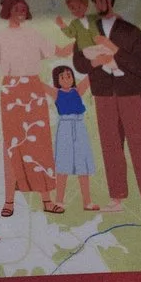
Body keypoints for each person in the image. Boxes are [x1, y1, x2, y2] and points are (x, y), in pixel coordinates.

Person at [0, 0, 69, 216]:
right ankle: (9, 201)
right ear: (8, 11)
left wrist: (84, 42)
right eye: (16, 8)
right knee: (12, 146)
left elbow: (61, 51)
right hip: (12, 90)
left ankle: (46, 200)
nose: (21, 11)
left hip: (33, 89)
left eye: (24, 8)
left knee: (39, 144)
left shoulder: (34, 34)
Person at [72, 0, 141, 211]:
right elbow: (79, 63)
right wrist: (95, 61)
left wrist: (114, 50)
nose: (98, 4)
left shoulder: (131, 31)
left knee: (140, 143)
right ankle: (117, 198)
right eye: (95, 0)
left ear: (111, 0)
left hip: (130, 93)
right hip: (103, 95)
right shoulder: (87, 30)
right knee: (110, 146)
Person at [49, 64, 97, 211]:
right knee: (63, 165)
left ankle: (87, 202)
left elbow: (89, 77)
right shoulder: (56, 93)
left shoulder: (77, 91)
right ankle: (59, 200)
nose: (66, 79)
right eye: (62, 77)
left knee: (83, 166)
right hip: (64, 129)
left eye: (69, 76)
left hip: (79, 128)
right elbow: (40, 85)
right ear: (57, 80)